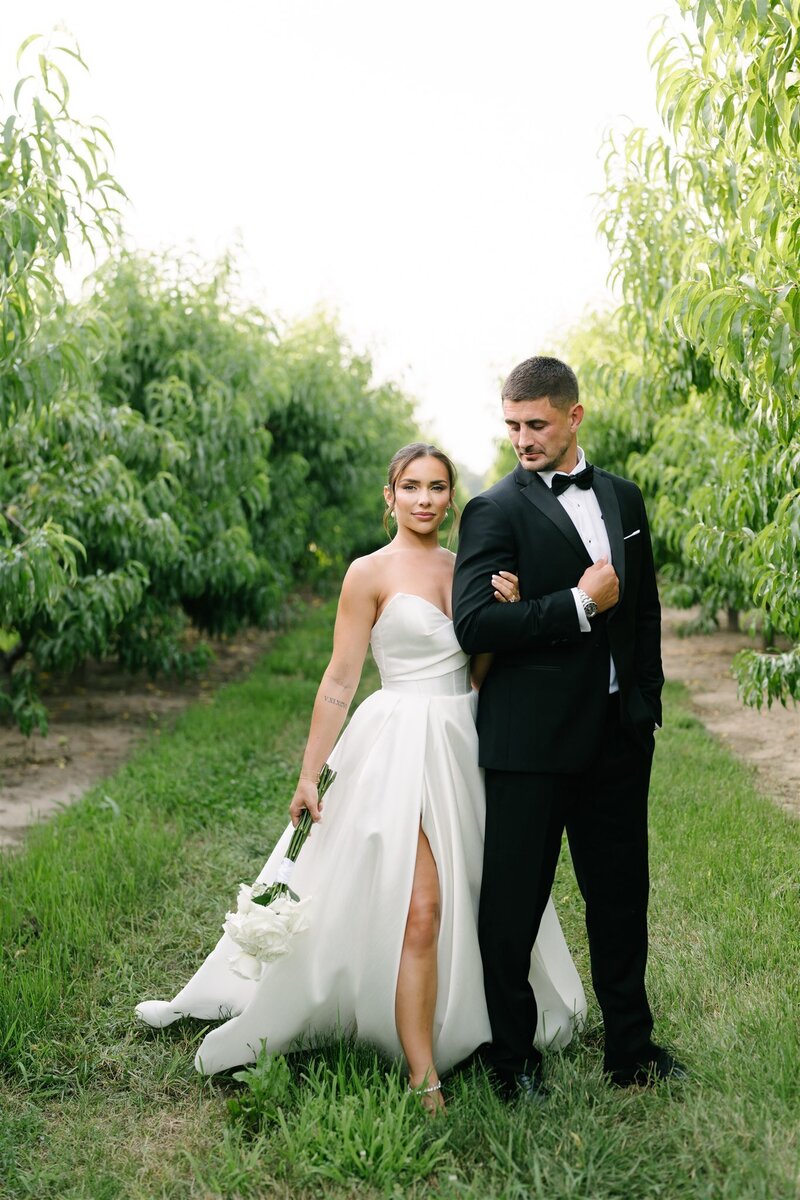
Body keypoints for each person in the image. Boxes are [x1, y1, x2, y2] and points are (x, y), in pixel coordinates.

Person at [136, 442, 586, 1110]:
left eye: (437, 487)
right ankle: (421, 1072)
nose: (426, 499)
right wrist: (310, 773)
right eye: (411, 487)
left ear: (450, 497)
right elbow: (340, 681)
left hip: (463, 742)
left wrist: (503, 619)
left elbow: (476, 675)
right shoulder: (367, 573)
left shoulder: (469, 568)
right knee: (422, 906)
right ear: (390, 495)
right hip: (395, 744)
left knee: (479, 897)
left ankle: (471, 1019)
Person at [453, 357, 685, 1101]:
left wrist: (643, 706)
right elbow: (474, 622)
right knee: (513, 908)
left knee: (621, 897)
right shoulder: (494, 510)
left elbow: (643, 610)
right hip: (532, 743)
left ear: (574, 415)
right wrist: (577, 605)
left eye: (537, 424)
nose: (522, 438)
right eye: (513, 425)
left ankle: (632, 1049)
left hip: (619, 737)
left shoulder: (623, 497)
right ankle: (513, 1063)